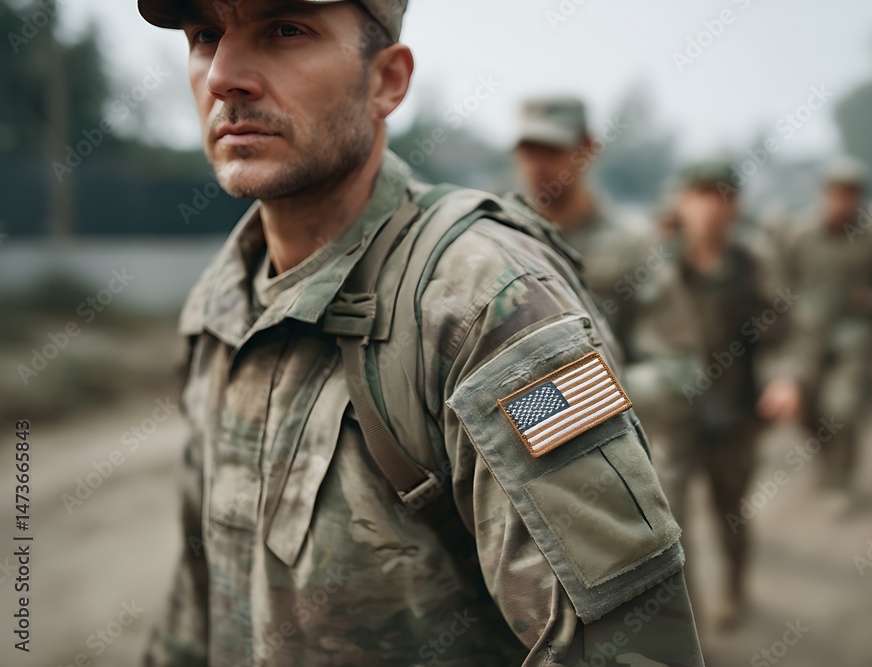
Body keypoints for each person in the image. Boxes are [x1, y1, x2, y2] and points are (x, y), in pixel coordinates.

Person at [137, 1, 704, 665]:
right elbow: (199, 591)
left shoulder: (484, 302)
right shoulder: (223, 300)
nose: (224, 75)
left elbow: (630, 646)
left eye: (286, 30)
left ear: (387, 81)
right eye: (205, 35)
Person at [631, 161, 807, 629]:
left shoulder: (752, 263)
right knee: (671, 527)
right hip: (674, 421)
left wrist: (785, 378)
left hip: (733, 416)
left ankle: (735, 587)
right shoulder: (656, 264)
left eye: (720, 194)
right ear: (682, 201)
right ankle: (689, 629)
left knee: (730, 513)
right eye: (699, 194)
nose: (709, 206)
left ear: (734, 204)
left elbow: (788, 330)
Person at [777, 157, 872, 492]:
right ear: (824, 194)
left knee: (843, 409)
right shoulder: (801, 236)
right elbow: (779, 282)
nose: (842, 201)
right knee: (804, 408)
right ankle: (825, 451)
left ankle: (843, 478)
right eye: (836, 193)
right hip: (807, 340)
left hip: (854, 340)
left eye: (850, 194)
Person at [512, 96, 653, 345]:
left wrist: (596, 384)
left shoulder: (634, 248)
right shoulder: (503, 238)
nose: (537, 166)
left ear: (588, 149)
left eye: (551, 151)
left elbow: (672, 363)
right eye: (529, 152)